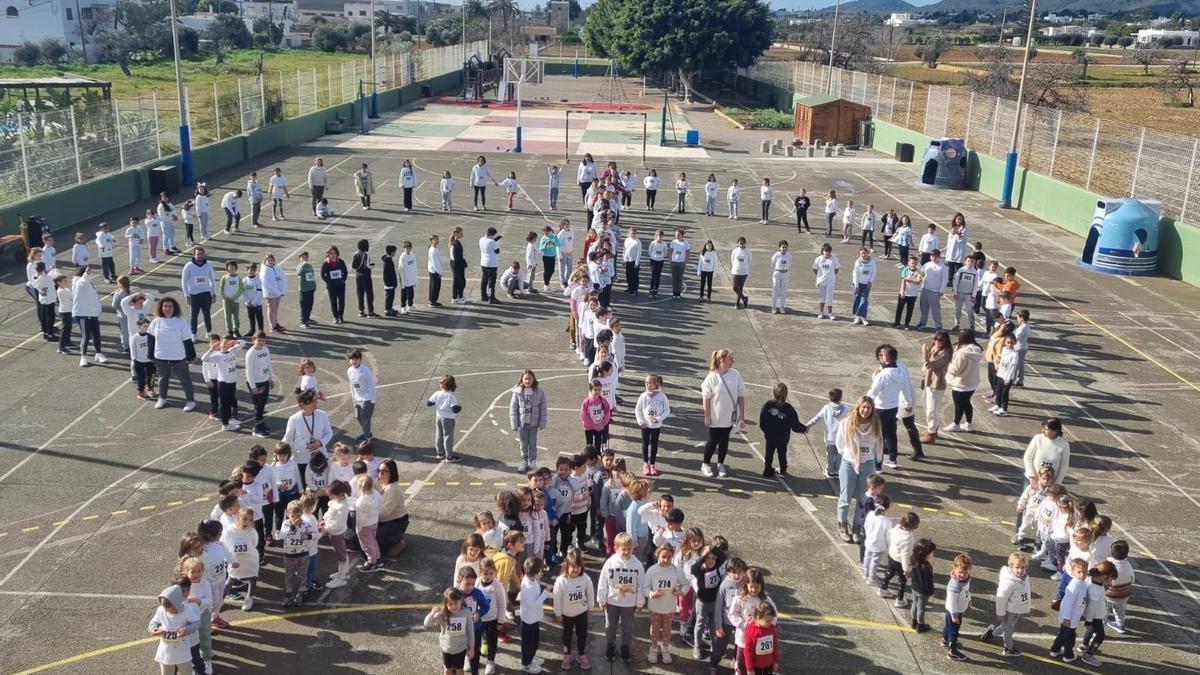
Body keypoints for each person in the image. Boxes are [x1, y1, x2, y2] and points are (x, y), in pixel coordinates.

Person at [835, 397, 882, 541]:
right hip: (849, 464)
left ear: (872, 409)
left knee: (863, 498)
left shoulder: (875, 424)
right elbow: (839, 443)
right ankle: (842, 526)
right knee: (845, 497)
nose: (865, 410)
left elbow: (879, 441)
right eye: (863, 407)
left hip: (867, 464)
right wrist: (851, 455)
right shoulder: (847, 422)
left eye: (868, 407)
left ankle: (857, 527)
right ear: (858, 407)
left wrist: (876, 461)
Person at [598, 532, 646, 665]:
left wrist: (640, 602)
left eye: (629, 549)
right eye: (623, 549)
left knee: (627, 628)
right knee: (610, 626)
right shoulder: (610, 563)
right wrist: (601, 599)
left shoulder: (637, 565)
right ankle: (610, 645)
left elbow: (641, 585)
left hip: (629, 604)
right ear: (615, 548)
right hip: (612, 601)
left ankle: (625, 647)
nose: (626, 552)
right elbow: (603, 581)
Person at [700, 348, 746, 478]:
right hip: (715, 417)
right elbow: (706, 398)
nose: (733, 361)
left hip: (729, 417)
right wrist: (707, 416)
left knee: (724, 441)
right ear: (722, 360)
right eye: (730, 358)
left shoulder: (735, 374)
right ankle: (706, 464)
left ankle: (720, 463)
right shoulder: (712, 377)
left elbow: (741, 396)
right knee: (712, 441)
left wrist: (742, 415)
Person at [867, 345, 914, 469]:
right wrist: (907, 402)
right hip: (893, 408)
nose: (880, 357)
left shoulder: (883, 375)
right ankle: (892, 459)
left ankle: (877, 465)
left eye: (882, 355)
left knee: (878, 436)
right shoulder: (900, 371)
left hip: (880, 409)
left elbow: (872, 392)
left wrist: (862, 404)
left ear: (887, 357)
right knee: (891, 434)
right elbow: (906, 388)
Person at [981, 552, 1032, 657]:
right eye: (1017, 567)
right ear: (1011, 567)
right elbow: (1001, 598)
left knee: (1006, 626)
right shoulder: (1009, 582)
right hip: (1011, 610)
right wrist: (1000, 613)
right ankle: (1008, 648)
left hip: (1017, 608)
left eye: (1023, 567)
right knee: (1009, 629)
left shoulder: (1024, 577)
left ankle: (990, 633)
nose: (1020, 570)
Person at [149, 297, 196, 411]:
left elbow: (187, 340)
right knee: (162, 378)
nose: (167, 309)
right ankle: (162, 398)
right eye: (165, 306)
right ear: (161, 308)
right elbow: (151, 339)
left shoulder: (181, 321)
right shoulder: (156, 321)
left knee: (185, 379)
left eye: (170, 306)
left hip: (178, 357)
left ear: (174, 308)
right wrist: (150, 355)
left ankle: (190, 401)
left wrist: (190, 356)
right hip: (161, 356)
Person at [553, 550, 595, 671]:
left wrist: (590, 607)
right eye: (573, 567)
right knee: (567, 635)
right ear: (566, 566)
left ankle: (581, 654)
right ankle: (567, 654)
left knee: (582, 634)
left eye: (578, 567)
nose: (576, 569)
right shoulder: (561, 581)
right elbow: (557, 598)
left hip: (581, 613)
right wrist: (558, 613)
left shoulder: (585, 578)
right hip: (567, 614)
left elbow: (590, 593)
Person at [425, 588, 474, 675]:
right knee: (447, 668)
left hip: (461, 648)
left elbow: (470, 630)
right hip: (447, 648)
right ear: (446, 604)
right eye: (450, 604)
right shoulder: (443, 614)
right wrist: (432, 613)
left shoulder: (466, 612)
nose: (454, 606)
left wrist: (471, 647)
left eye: (456, 603)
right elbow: (427, 624)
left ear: (461, 601)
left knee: (459, 669)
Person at [510, 369, 549, 473]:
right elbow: (513, 409)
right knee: (523, 443)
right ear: (522, 380)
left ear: (533, 379)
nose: (528, 381)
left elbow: (543, 408)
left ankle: (532, 461)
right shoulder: (517, 392)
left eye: (530, 378)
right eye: (526, 378)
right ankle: (524, 461)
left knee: (532, 443)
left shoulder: (539, 392)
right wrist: (514, 424)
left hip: (533, 423)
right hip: (522, 423)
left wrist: (542, 422)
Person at [919, 330, 953, 444]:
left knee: (932, 409)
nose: (937, 342)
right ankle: (931, 429)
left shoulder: (945, 353)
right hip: (929, 381)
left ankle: (932, 434)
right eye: (936, 339)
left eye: (940, 340)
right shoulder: (934, 349)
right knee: (930, 407)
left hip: (937, 384)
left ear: (945, 341)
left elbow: (930, 365)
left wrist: (924, 354)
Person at [71, 267, 108, 367]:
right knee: (86, 336)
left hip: (92, 313)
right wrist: (87, 273)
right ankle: (83, 357)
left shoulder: (89, 285)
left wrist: (97, 310)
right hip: (82, 314)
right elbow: (85, 279)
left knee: (96, 334)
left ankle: (99, 353)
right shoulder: (79, 282)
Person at [634, 374, 670, 476]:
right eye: (647, 383)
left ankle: (652, 464)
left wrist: (659, 419)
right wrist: (641, 421)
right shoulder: (643, 396)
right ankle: (645, 463)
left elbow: (667, 410)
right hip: (645, 425)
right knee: (645, 444)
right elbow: (637, 409)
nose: (648, 385)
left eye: (650, 383)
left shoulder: (662, 396)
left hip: (656, 426)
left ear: (656, 384)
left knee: (654, 444)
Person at [375, 459, 410, 558]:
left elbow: (385, 513)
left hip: (396, 521)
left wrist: (369, 513)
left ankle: (399, 541)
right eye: (379, 470)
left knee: (377, 542)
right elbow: (367, 487)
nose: (380, 474)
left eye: (384, 471)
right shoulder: (379, 482)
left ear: (392, 472)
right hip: (381, 519)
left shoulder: (393, 489)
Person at [427, 374, 463, 462]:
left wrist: (438, 402)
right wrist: (460, 407)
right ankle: (449, 456)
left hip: (439, 417)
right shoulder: (451, 396)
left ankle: (440, 453)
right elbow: (455, 409)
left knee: (439, 435)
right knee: (448, 436)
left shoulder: (437, 393)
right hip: (448, 419)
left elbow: (429, 403)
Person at [944, 553, 972, 661]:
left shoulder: (965, 580)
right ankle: (952, 651)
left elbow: (966, 591)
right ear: (954, 569)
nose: (963, 575)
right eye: (960, 572)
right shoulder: (954, 585)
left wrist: (968, 600)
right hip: (954, 611)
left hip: (958, 609)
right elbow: (951, 602)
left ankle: (945, 640)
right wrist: (954, 615)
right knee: (954, 631)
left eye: (965, 572)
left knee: (948, 627)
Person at [181, 247, 216, 335]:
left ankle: (209, 332)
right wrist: (187, 295)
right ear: (194, 255)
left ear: (204, 255)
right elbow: (183, 282)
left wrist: (213, 293)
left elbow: (212, 279)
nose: (200, 256)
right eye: (198, 254)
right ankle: (193, 334)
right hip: (194, 295)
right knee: (194, 316)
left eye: (201, 254)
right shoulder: (188, 266)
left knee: (207, 314)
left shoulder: (208, 264)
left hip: (206, 294)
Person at [347, 349, 376, 443]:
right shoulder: (349, 370)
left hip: (366, 398)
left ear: (360, 360)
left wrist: (373, 400)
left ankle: (367, 438)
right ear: (349, 360)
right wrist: (353, 397)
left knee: (365, 418)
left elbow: (371, 384)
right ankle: (367, 433)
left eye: (356, 359)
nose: (354, 361)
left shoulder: (365, 370)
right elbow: (351, 384)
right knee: (358, 417)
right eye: (352, 359)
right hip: (357, 398)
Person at [917, 249, 947, 330]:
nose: (933, 258)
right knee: (923, 307)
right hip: (925, 289)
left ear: (939, 257)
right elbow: (920, 273)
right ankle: (923, 322)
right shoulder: (927, 264)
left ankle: (938, 326)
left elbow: (944, 280)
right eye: (932, 256)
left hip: (935, 291)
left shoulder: (942, 267)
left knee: (935, 310)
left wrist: (941, 291)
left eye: (935, 256)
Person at [320, 246, 348, 324]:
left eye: (335, 253)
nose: (333, 255)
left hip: (340, 285)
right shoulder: (326, 263)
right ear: (328, 254)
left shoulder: (341, 262)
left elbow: (345, 272)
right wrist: (328, 282)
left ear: (337, 253)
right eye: (331, 253)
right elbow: (322, 274)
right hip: (331, 286)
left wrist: (343, 280)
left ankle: (341, 316)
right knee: (333, 302)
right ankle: (335, 317)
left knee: (341, 301)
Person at [351, 239, 378, 318]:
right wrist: (373, 265)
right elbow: (368, 265)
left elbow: (353, 266)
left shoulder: (356, 254)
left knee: (360, 294)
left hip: (358, 276)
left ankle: (361, 311)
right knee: (369, 294)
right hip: (366, 276)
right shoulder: (366, 254)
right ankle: (370, 312)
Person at [812, 243, 839, 320]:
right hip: (821, 281)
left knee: (829, 297)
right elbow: (815, 268)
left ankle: (830, 313)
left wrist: (831, 276)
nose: (827, 252)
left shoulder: (834, 259)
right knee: (822, 298)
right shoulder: (818, 259)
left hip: (830, 282)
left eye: (829, 251)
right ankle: (821, 312)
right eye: (826, 251)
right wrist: (820, 276)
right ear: (822, 251)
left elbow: (836, 269)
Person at [851, 247, 876, 326]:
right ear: (860, 254)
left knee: (864, 301)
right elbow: (855, 274)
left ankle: (863, 317)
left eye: (865, 253)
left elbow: (874, 272)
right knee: (857, 301)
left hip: (866, 285)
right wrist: (856, 285)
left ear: (867, 253)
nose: (864, 255)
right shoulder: (858, 262)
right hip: (858, 284)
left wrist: (870, 281)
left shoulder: (872, 262)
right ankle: (857, 317)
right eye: (862, 253)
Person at [768, 240, 792, 315]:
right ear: (779, 248)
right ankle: (774, 307)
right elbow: (772, 263)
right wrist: (777, 270)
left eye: (785, 247)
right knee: (775, 290)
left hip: (785, 274)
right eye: (782, 247)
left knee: (783, 291)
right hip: (777, 273)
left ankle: (782, 307)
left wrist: (785, 270)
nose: (784, 249)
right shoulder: (776, 255)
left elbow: (790, 263)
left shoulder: (789, 255)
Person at [479, 227, 501, 304]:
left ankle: (483, 295)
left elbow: (489, 243)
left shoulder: (481, 239)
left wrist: (494, 240)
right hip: (491, 264)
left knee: (484, 280)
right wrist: (496, 242)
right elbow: (497, 251)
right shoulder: (492, 242)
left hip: (483, 263)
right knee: (492, 281)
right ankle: (492, 297)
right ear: (493, 234)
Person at [668, 228, 691, 299]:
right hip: (674, 262)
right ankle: (674, 292)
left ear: (682, 235)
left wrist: (685, 261)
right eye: (676, 234)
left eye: (678, 235)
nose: (677, 236)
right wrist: (670, 260)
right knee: (674, 278)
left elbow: (688, 252)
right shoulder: (673, 242)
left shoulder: (686, 243)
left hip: (681, 263)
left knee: (680, 278)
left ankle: (678, 293)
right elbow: (670, 251)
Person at [296, 251, 317, 327]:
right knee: (304, 306)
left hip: (310, 288)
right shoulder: (300, 266)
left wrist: (314, 285)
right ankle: (303, 321)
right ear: (300, 258)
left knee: (310, 304)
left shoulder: (310, 266)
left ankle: (307, 318)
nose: (305, 259)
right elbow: (298, 273)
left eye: (306, 257)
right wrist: (303, 265)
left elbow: (312, 276)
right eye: (303, 257)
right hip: (304, 289)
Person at [730, 237, 752, 309]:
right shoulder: (735, 251)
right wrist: (736, 267)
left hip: (744, 272)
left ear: (745, 243)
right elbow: (732, 260)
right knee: (734, 287)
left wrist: (744, 267)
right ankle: (744, 298)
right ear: (738, 243)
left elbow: (749, 261)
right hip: (735, 271)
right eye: (740, 243)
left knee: (740, 288)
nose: (742, 244)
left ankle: (737, 303)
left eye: (743, 243)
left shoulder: (748, 251)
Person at [449, 227, 469, 305]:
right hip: (457, 265)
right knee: (461, 281)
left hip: (455, 263)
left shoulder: (455, 242)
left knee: (457, 281)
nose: (462, 234)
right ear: (456, 234)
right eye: (461, 233)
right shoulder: (456, 243)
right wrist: (463, 264)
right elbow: (457, 257)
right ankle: (459, 297)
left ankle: (455, 297)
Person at [622, 226, 641, 295]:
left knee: (634, 276)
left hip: (634, 261)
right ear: (629, 233)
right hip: (628, 261)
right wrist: (623, 260)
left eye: (634, 233)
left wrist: (636, 263)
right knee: (628, 275)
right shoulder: (627, 240)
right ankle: (630, 287)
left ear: (636, 234)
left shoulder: (637, 242)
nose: (632, 235)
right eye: (631, 233)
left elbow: (639, 253)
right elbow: (624, 250)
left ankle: (634, 289)